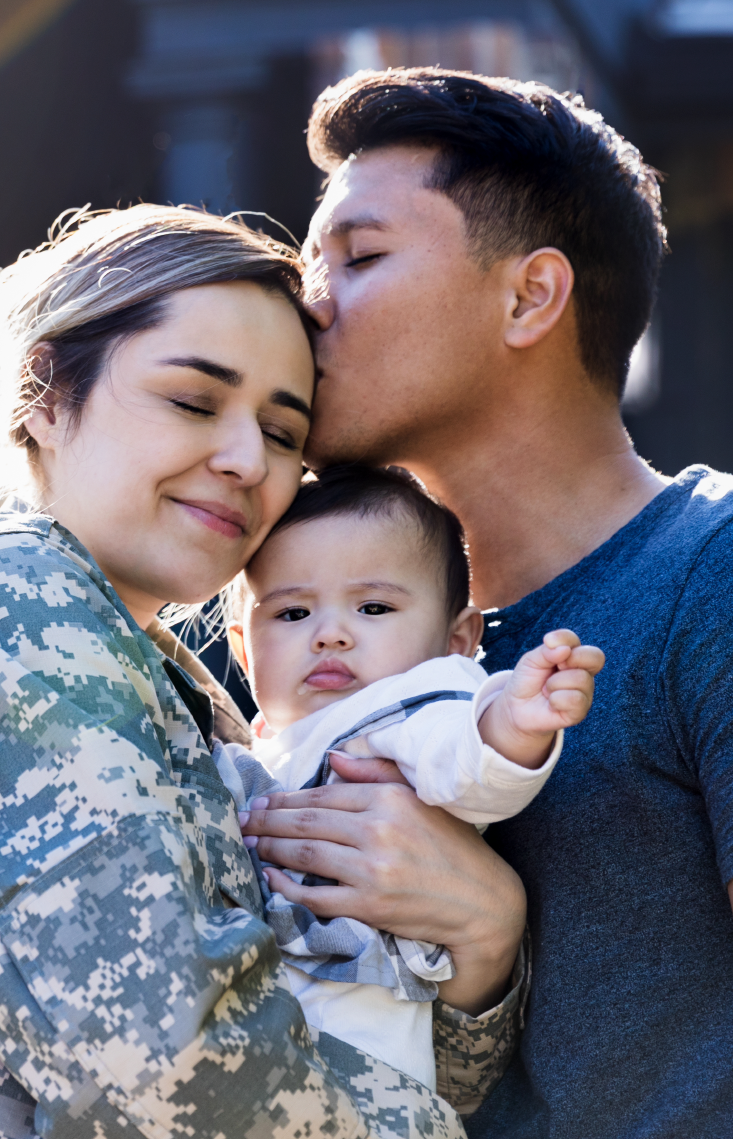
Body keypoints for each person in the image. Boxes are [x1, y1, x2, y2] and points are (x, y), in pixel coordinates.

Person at [237, 68, 733, 1137]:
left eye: (358, 257)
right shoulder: (299, 634)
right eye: (313, 263)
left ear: (531, 296)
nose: (308, 303)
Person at [0, 204, 525, 1138]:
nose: (248, 460)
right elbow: (171, 1076)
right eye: (193, 402)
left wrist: (483, 942)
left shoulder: (165, 678)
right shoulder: (4, 606)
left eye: (284, 433)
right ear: (45, 393)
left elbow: (342, 1043)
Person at [210, 462, 603, 1092]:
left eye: (372, 607)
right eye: (291, 614)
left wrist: (513, 722)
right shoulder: (263, 744)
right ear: (243, 646)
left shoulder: (405, 706)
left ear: (456, 641)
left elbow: (464, 765)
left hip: (361, 1053)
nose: (330, 635)